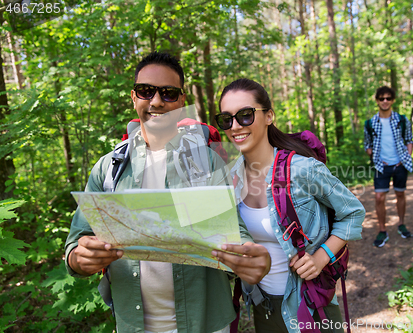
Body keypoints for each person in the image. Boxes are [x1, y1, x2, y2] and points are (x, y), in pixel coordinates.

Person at [64, 51, 271, 333]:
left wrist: (248, 257)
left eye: (169, 93)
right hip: (133, 324)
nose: (157, 101)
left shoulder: (205, 161)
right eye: (146, 91)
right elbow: (75, 245)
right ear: (134, 97)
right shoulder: (109, 169)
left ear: (182, 100)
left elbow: (232, 230)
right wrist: (80, 259)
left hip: (205, 322)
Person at [216, 78, 365, 333]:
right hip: (264, 307)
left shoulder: (302, 169)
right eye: (226, 119)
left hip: (311, 306)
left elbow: (353, 212)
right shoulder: (230, 178)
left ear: (269, 115)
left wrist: (321, 257)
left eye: (245, 115)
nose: (235, 126)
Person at [363, 86, 413, 248]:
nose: (385, 101)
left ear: (393, 100)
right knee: (379, 198)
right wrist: (374, 156)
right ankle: (382, 229)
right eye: (381, 98)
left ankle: (401, 223)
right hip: (381, 166)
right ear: (377, 100)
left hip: (400, 164)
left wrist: (406, 157)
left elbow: (409, 139)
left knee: (400, 194)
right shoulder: (370, 123)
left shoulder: (401, 120)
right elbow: (367, 144)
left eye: (388, 98)